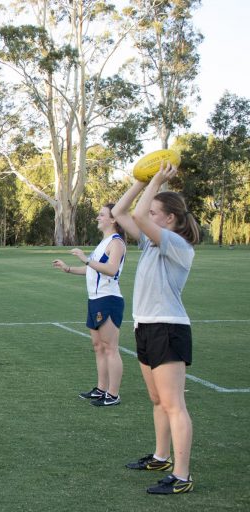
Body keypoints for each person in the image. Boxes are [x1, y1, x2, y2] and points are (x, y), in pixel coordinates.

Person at [112, 163, 200, 495]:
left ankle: (182, 476)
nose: (147, 214)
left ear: (170, 219)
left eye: (154, 211)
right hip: (146, 325)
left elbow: (137, 217)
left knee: (173, 403)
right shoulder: (152, 243)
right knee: (156, 399)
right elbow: (123, 211)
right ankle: (162, 457)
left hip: (169, 328)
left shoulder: (176, 244)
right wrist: (139, 181)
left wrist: (159, 181)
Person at [52, 204, 126, 405]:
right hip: (94, 300)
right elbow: (93, 270)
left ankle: (113, 394)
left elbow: (111, 270)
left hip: (108, 299)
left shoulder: (116, 243)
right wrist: (67, 269)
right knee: (98, 347)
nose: (97, 217)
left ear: (114, 220)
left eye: (102, 214)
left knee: (110, 348)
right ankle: (101, 389)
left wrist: (85, 259)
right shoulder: (104, 242)